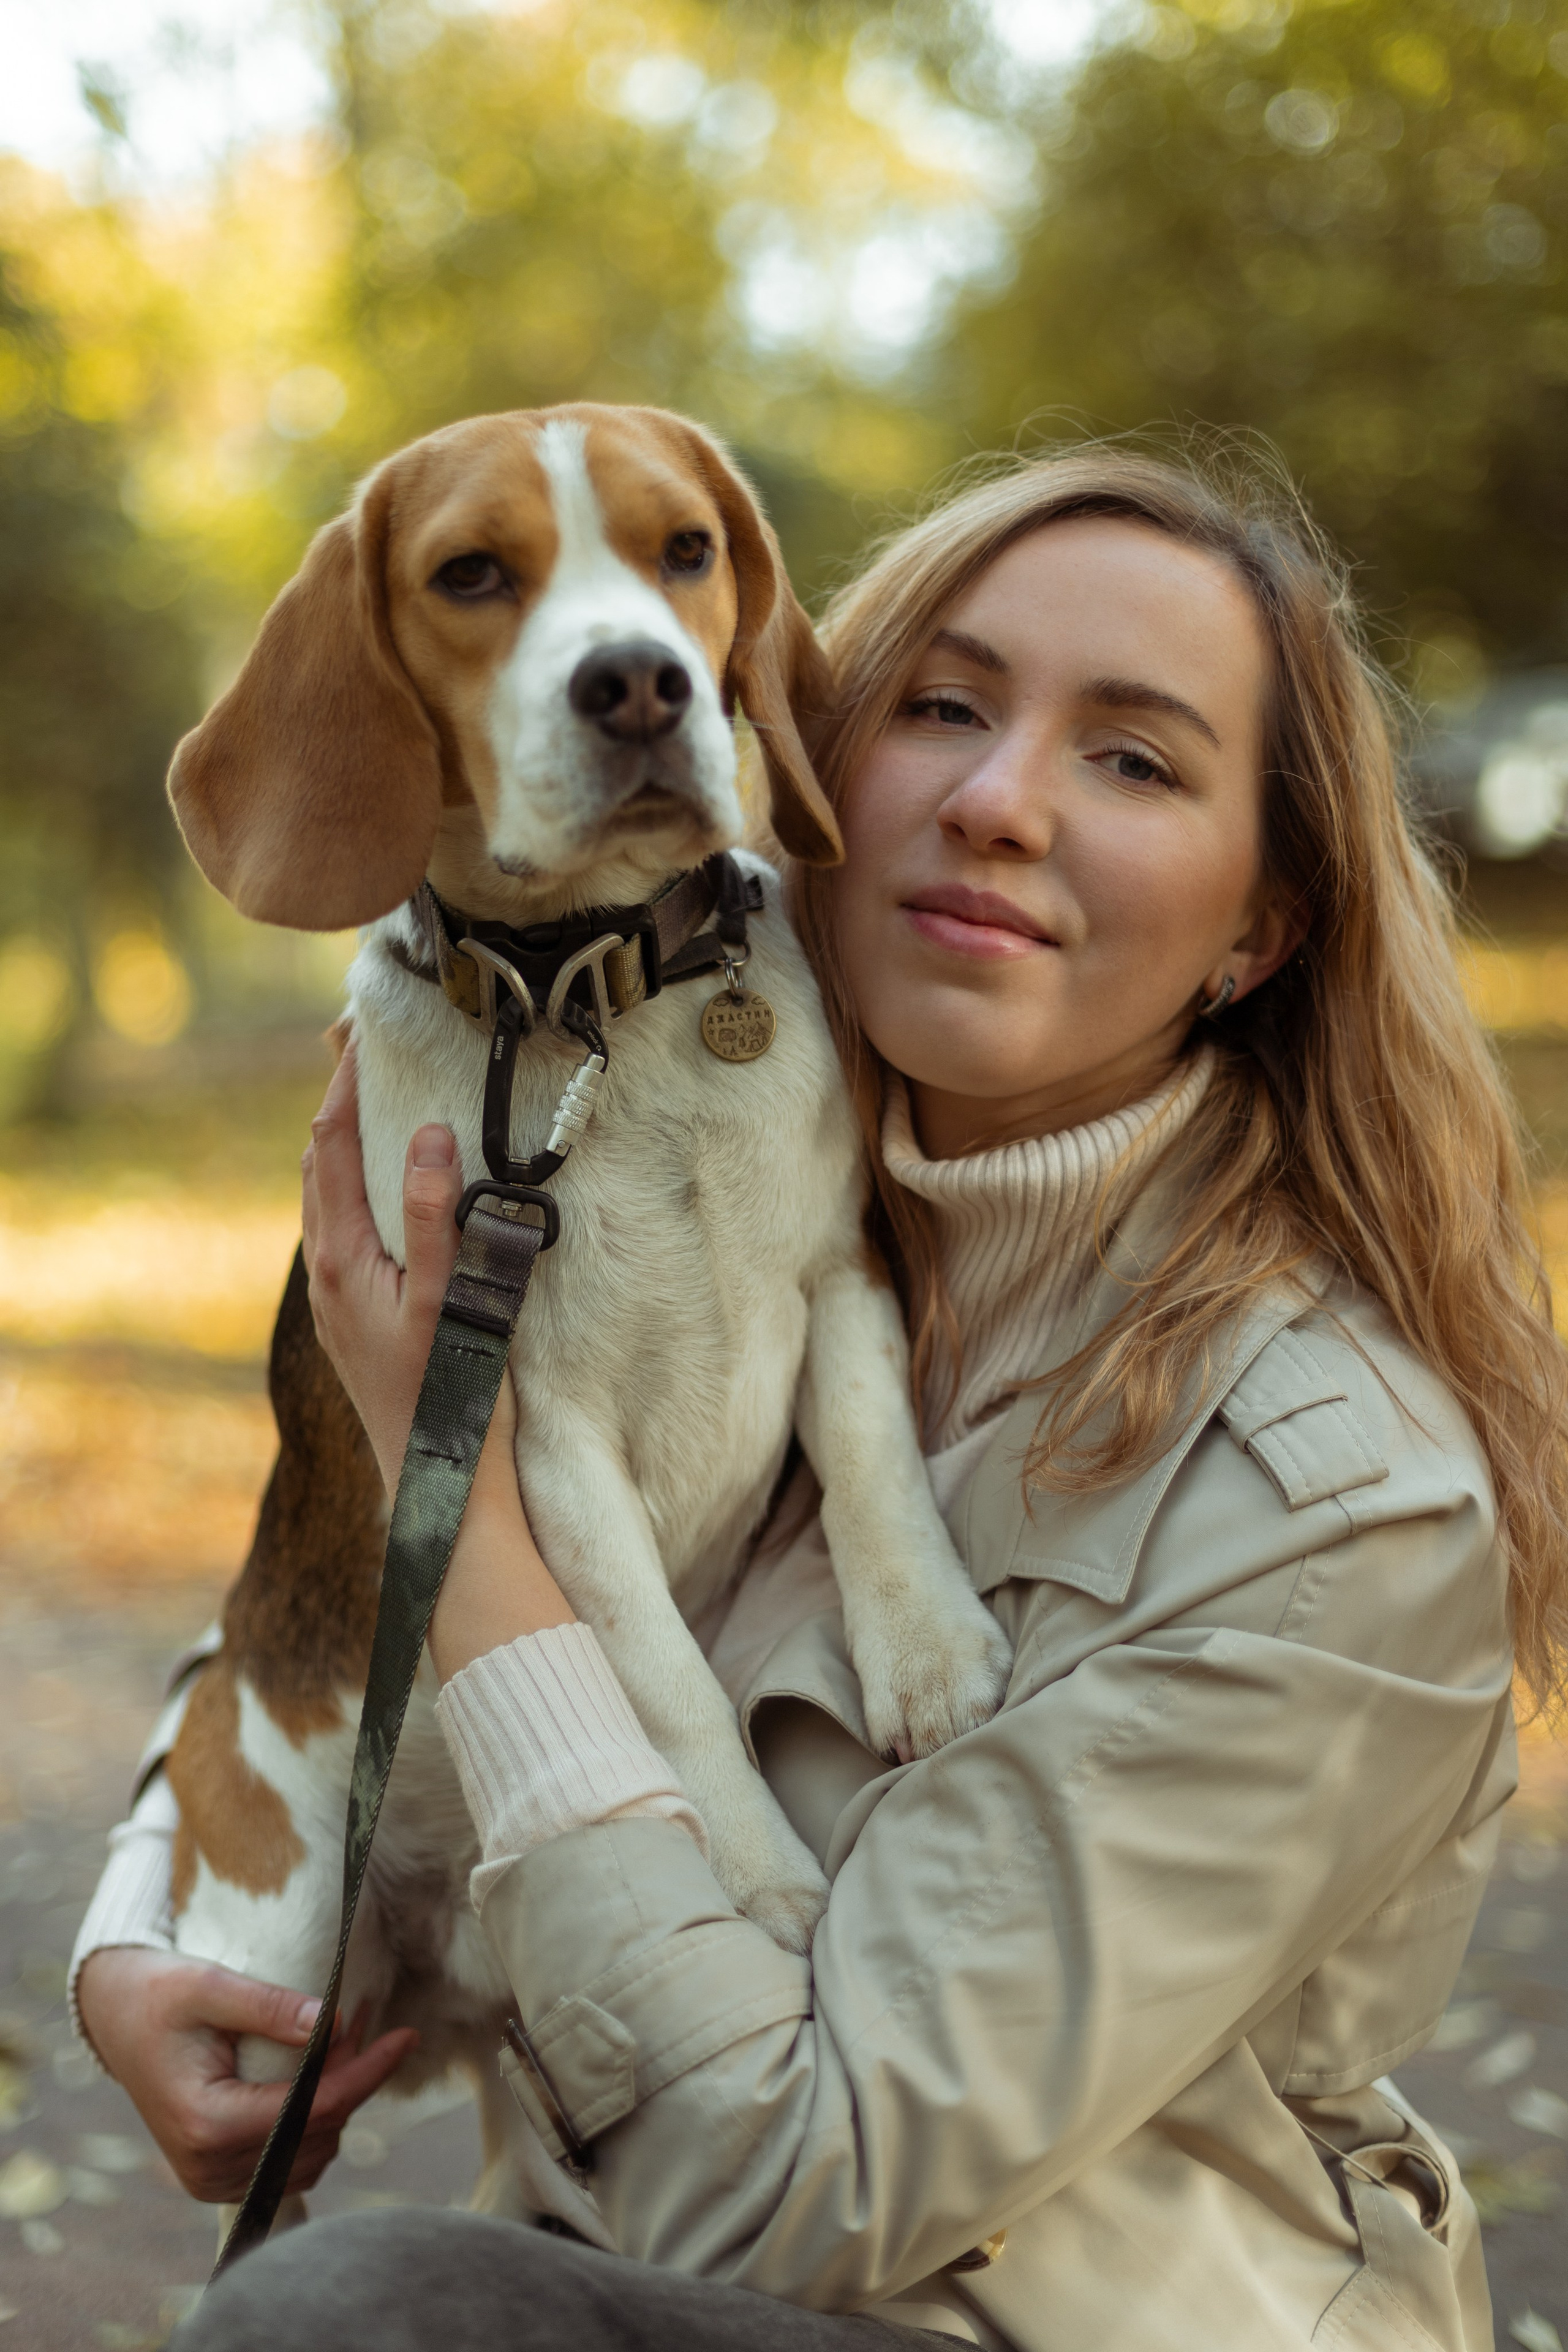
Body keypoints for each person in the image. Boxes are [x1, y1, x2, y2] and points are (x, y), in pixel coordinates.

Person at [74, 446, 1566, 2352]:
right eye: (943, 707)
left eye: (1134, 759)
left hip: (1005, 2314)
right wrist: (150, 1928)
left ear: (1262, 927)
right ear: (807, 749)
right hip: (625, 2261)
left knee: (350, 2315)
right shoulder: (667, 1146)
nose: (1002, 801)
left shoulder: (1341, 1516)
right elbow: (310, 1580)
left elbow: (800, 2197)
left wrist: (473, 1519)